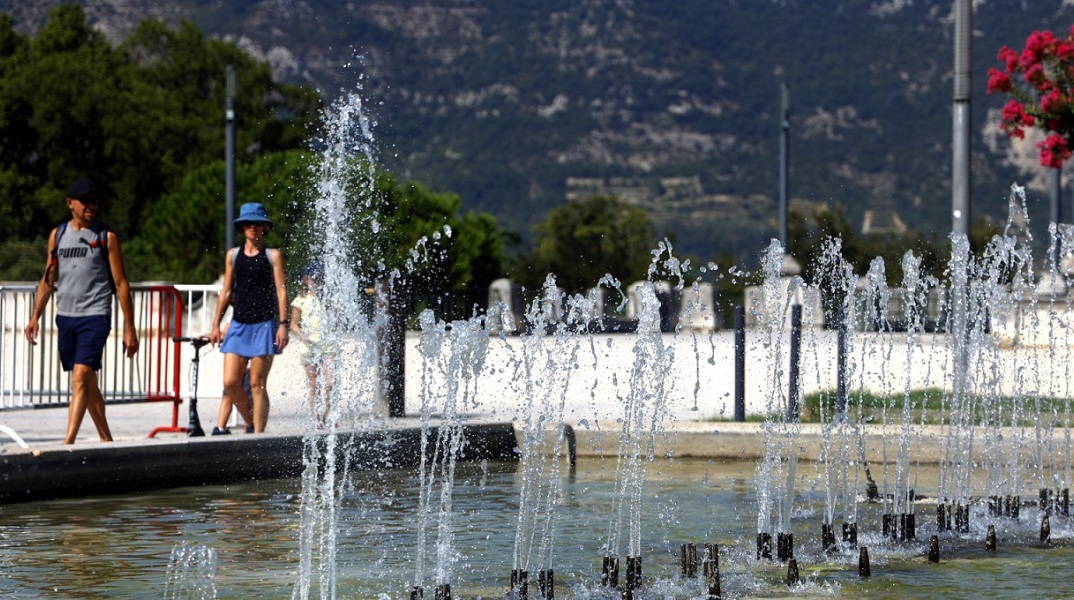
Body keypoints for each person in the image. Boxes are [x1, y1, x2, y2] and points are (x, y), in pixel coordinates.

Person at [24, 178, 140, 444]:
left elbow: (121, 283)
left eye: (95, 201)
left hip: (96, 315)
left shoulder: (106, 237)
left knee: (80, 376)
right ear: (70, 204)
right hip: (66, 316)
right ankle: (106, 439)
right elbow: (48, 277)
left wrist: (130, 329)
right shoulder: (59, 235)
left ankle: (68, 445)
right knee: (87, 383)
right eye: (85, 201)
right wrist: (35, 317)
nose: (91, 206)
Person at [209, 202, 289, 434]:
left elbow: (281, 290)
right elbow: (225, 291)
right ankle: (251, 421)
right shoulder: (233, 255)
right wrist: (215, 324)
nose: (252, 227)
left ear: (265, 227)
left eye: (256, 223)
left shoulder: (273, 255)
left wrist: (283, 325)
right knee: (230, 382)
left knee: (256, 383)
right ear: (241, 227)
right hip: (239, 323)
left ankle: (258, 435)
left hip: (265, 324)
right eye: (247, 224)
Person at [291, 261, 336, 425]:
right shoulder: (300, 300)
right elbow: (294, 325)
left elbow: (336, 316)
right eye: (313, 276)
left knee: (331, 382)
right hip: (309, 347)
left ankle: (328, 411)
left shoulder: (328, 298)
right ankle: (315, 417)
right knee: (314, 384)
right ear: (306, 279)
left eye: (319, 276)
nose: (316, 280)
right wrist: (304, 337)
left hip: (327, 345)